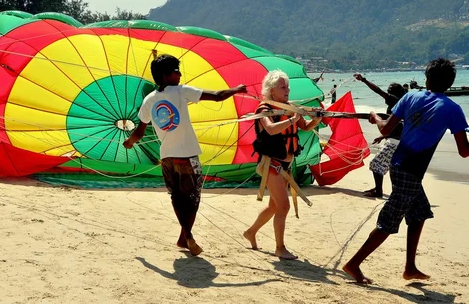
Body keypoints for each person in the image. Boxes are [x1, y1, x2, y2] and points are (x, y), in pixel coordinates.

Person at [343, 58, 469, 284]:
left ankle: (410, 267)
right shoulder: (452, 109)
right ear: (450, 82)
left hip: (399, 167)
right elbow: (464, 151)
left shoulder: (409, 97)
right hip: (410, 172)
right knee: (389, 221)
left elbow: (386, 129)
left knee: (419, 213)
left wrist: (375, 117)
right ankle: (353, 264)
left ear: (427, 79)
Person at [123, 54, 247, 256]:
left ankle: (183, 238)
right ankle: (188, 235)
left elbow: (138, 132)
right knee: (192, 198)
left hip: (167, 158)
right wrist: (236, 90)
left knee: (177, 198)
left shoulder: (149, 100)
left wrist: (129, 142)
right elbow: (217, 96)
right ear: (165, 75)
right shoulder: (181, 92)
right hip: (188, 156)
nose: (180, 74)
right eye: (176, 70)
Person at [243, 70, 322, 260]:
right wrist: (292, 118)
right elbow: (270, 129)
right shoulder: (264, 109)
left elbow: (305, 127)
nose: (287, 90)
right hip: (272, 164)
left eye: (288, 86)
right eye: (282, 87)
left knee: (273, 206)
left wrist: (317, 118)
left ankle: (250, 232)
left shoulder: (290, 107)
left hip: (286, 165)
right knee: (283, 207)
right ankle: (280, 248)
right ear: (271, 90)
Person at [354, 74, 406, 198]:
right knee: (391, 167)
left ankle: (378, 191)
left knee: (376, 164)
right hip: (398, 139)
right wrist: (383, 136)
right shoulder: (402, 104)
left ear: (394, 93)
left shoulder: (395, 100)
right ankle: (384, 190)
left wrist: (364, 80)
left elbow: (378, 91)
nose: (387, 94)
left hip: (395, 141)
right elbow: (398, 124)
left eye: (389, 91)